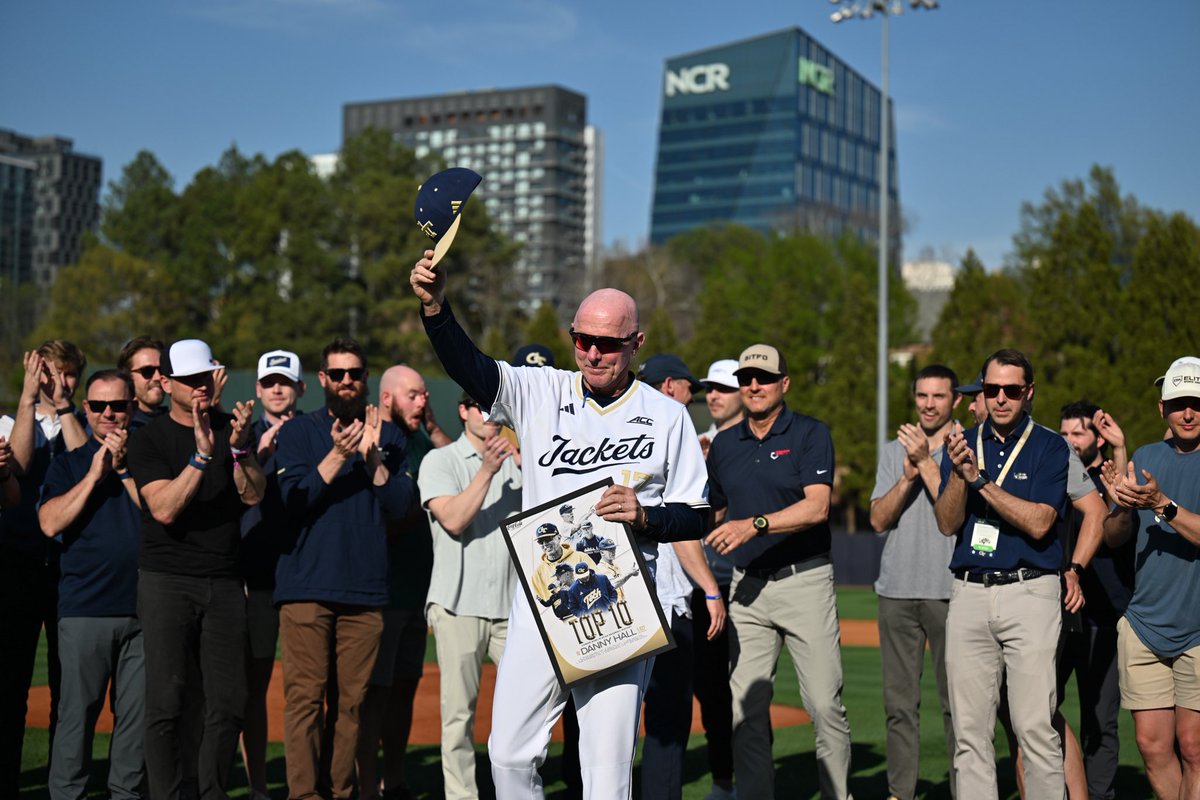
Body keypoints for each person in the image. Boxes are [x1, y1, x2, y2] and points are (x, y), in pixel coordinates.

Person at [410, 249, 709, 799]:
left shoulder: (667, 416)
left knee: (605, 767)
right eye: (582, 339)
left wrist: (645, 515)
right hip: (541, 601)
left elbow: (697, 513)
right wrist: (436, 309)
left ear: (636, 344)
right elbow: (468, 367)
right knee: (506, 752)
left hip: (622, 603)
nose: (592, 353)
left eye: (608, 344)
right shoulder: (540, 390)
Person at [705, 343, 853, 800]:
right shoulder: (725, 444)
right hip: (746, 586)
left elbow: (818, 506)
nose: (753, 385)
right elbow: (714, 511)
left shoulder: (809, 433)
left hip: (802, 580)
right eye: (747, 378)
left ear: (783, 384)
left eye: (764, 378)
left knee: (825, 705)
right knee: (745, 713)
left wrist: (756, 525)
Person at [272, 338, 416, 800]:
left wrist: (373, 459)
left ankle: (341, 791)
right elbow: (293, 503)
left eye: (355, 373)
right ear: (322, 380)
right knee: (306, 702)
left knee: (353, 705)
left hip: (366, 592)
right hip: (305, 588)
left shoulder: (390, 438)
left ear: (366, 378)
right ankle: (303, 794)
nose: (347, 382)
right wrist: (337, 456)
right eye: (338, 374)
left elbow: (400, 507)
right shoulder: (297, 433)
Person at [125, 338, 265, 800]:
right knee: (167, 701)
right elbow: (163, 509)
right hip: (167, 579)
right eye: (189, 379)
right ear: (165, 383)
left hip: (225, 580)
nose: (199, 385)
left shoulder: (233, 427)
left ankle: (212, 792)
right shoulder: (148, 438)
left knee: (227, 702)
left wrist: (240, 450)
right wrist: (202, 456)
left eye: (205, 376)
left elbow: (253, 495)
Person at [933, 348, 1072, 799]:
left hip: (1029, 591)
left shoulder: (1050, 446)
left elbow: (1039, 522)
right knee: (969, 733)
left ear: (1028, 393)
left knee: (1034, 726)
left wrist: (980, 482)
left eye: (1011, 390)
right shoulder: (962, 444)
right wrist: (958, 474)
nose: (1000, 398)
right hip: (970, 591)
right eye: (991, 389)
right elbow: (946, 523)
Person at [38, 369, 145, 800]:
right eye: (98, 405)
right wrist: (95, 475)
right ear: (85, 409)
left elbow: (164, 520)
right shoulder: (67, 463)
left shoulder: (150, 458)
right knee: (76, 718)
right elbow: (49, 523)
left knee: (136, 723)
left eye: (117, 405)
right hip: (85, 609)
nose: (108, 414)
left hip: (145, 608)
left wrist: (122, 473)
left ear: (132, 408)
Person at [1101, 357, 1200, 800]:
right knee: (1152, 745)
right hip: (1144, 626)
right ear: (1163, 409)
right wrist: (1122, 505)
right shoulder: (1145, 456)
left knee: (1195, 746)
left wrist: (1163, 504)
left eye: (1196, 402)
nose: (1189, 412)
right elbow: (1115, 536)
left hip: (1198, 630)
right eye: (1179, 403)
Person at [418, 392, 522, 800]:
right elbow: (455, 520)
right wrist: (487, 470)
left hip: (515, 608)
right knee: (458, 717)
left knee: (524, 713)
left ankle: (518, 791)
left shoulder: (518, 461)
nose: (489, 414)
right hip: (457, 605)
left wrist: (522, 467)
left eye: (493, 407)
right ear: (462, 412)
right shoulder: (439, 461)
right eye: (479, 406)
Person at [356, 363, 450, 800]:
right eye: (413, 394)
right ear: (388, 397)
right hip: (381, 590)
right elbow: (377, 517)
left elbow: (458, 467)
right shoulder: (373, 442)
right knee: (374, 693)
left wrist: (430, 425)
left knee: (405, 691)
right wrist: (419, 508)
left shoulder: (420, 441)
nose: (423, 399)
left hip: (418, 590)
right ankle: (365, 783)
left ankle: (394, 780)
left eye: (426, 393)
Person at [868, 364, 961, 800]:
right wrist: (906, 474)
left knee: (958, 707)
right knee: (899, 707)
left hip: (952, 591)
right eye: (922, 396)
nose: (928, 404)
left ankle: (967, 790)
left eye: (938, 396)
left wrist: (926, 462)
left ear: (955, 400)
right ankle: (899, 792)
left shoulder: (968, 449)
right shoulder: (893, 451)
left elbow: (955, 514)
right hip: (897, 591)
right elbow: (878, 520)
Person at [637, 353, 727, 800]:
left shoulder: (614, 429)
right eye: (689, 386)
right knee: (668, 722)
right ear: (670, 386)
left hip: (611, 598)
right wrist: (711, 589)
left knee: (593, 719)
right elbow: (683, 530)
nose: (694, 395)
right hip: (665, 601)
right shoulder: (674, 432)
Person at [0, 341, 88, 796]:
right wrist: (29, 397)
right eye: (51, 372)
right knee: (11, 683)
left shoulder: (86, 425)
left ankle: (64, 784)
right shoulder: (10, 423)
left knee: (67, 688)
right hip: (16, 564)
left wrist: (65, 406)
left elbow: (86, 464)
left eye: (70, 374)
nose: (60, 382)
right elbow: (17, 463)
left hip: (70, 570)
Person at [237, 349, 305, 800]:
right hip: (257, 577)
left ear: (301, 387)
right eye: (269, 382)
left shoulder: (316, 431)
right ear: (258, 388)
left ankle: (314, 781)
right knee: (252, 685)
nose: (276, 388)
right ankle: (258, 785)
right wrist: (253, 455)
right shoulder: (241, 436)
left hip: (304, 577)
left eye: (285, 381)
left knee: (310, 688)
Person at [693, 358, 743, 800]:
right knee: (710, 689)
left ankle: (751, 778)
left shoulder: (754, 441)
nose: (714, 395)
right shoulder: (696, 442)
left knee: (748, 688)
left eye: (724, 388)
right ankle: (723, 780)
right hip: (705, 583)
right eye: (710, 387)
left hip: (747, 580)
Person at [117, 336, 168, 429]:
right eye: (147, 371)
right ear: (128, 376)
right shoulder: (116, 425)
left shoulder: (177, 422)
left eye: (162, 370)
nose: (157, 377)